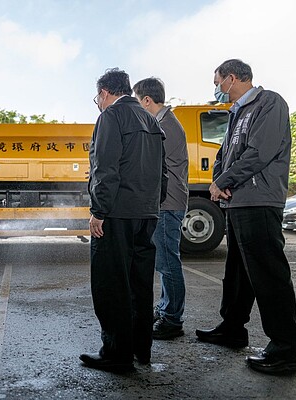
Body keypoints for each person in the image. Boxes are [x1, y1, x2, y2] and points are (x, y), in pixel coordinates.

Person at [196, 59, 296, 375]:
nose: (217, 89)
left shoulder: (268, 103)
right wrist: (219, 181)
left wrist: (224, 181)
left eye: (218, 82)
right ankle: (232, 329)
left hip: (259, 200)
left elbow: (260, 152)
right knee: (238, 272)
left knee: (269, 275)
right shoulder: (235, 113)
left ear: (231, 78)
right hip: (238, 202)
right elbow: (224, 155)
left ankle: (285, 350)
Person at [80, 68, 168, 371]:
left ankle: (117, 354)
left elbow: (105, 168)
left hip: (117, 214)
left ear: (104, 93)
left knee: (111, 283)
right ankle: (141, 349)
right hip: (147, 214)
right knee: (140, 284)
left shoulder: (111, 117)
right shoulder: (151, 119)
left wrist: (98, 211)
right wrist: (152, 205)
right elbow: (163, 173)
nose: (99, 103)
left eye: (97, 98)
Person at [133, 77, 189, 340]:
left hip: (167, 204)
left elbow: (152, 165)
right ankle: (167, 309)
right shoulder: (163, 123)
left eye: (137, 101)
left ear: (146, 100)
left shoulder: (166, 126)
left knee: (168, 263)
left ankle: (172, 320)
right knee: (165, 261)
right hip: (166, 202)